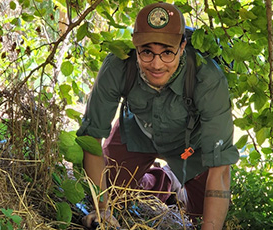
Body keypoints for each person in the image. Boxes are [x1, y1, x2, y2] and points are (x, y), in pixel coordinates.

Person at [76, 2, 239, 230]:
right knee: (112, 192)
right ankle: (163, 181)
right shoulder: (118, 65)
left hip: (192, 146)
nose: (156, 64)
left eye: (167, 53)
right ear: (135, 44)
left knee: (204, 212)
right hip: (138, 131)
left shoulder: (207, 78)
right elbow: (91, 137)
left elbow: (220, 167)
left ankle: (179, 186)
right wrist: (102, 208)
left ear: (182, 47)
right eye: (147, 52)